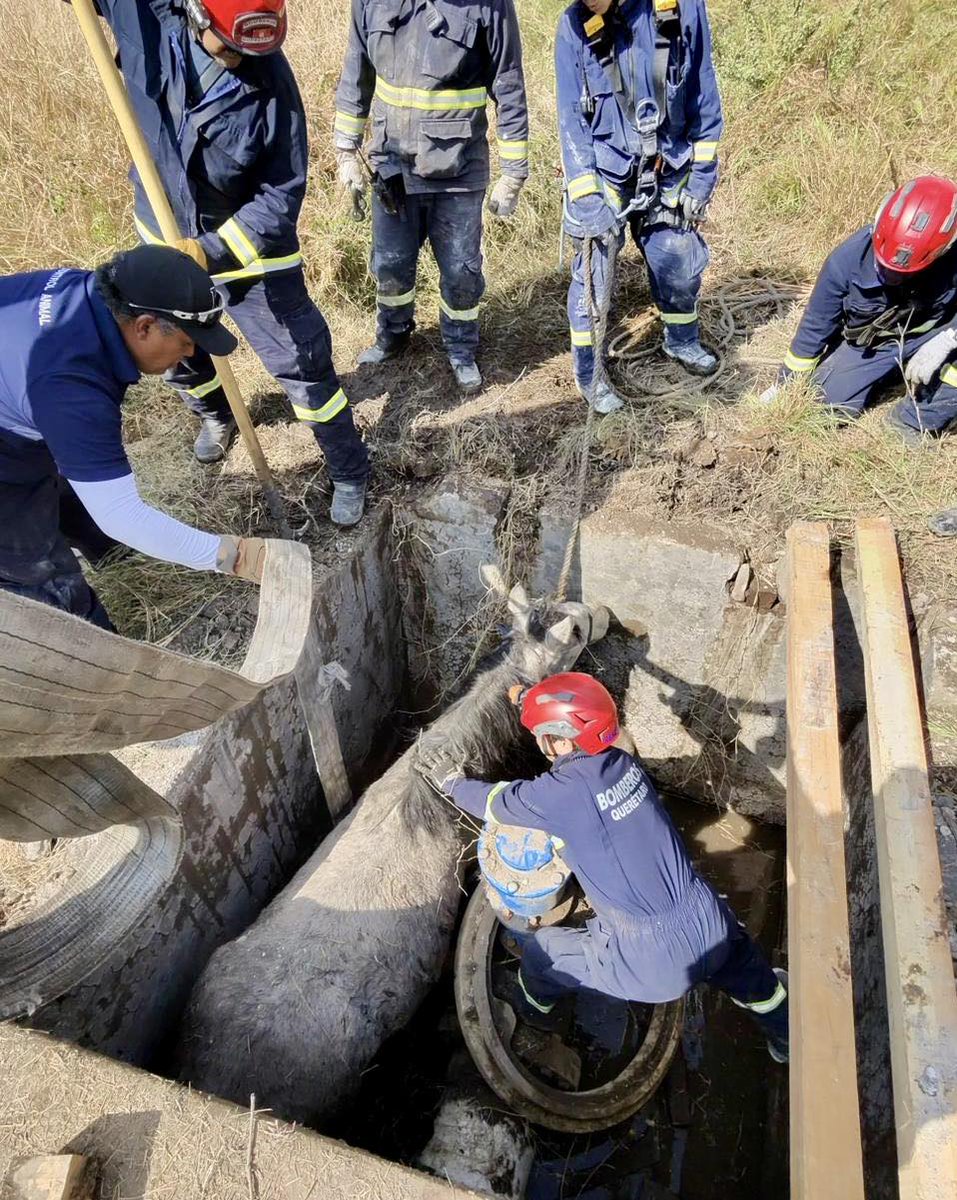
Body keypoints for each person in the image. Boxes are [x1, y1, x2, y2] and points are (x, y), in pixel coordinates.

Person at [92, 0, 370, 525]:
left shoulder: (272, 84)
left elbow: (283, 193)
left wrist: (212, 250)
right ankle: (214, 415)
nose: (242, 58)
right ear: (196, 16)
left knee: (302, 361)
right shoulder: (140, 15)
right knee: (174, 352)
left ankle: (349, 467)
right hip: (163, 226)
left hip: (247, 247)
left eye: (252, 49)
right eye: (230, 48)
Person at [430, 671, 789, 1062]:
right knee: (756, 981)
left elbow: (493, 803)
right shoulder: (622, 762)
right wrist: (524, 698)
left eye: (538, 733)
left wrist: (448, 781)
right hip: (709, 919)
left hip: (653, 963)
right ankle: (784, 1034)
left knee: (542, 955)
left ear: (561, 739)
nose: (536, 740)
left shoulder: (560, 795)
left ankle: (533, 1017)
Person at [0, 245, 267, 630]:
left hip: (22, 395)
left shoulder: (93, 297)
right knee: (44, 576)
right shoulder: (73, 389)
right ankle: (95, 660)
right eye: (186, 341)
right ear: (142, 326)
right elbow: (122, 516)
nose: (191, 353)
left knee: (70, 490)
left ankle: (113, 559)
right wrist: (237, 557)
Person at [333, 0, 530, 393]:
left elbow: (508, 83)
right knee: (390, 266)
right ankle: (393, 335)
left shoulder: (488, 5)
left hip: (458, 168)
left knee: (461, 272)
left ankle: (460, 347)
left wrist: (514, 172)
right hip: (392, 164)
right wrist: (345, 151)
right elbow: (357, 70)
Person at [556, 0, 724, 414]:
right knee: (592, 278)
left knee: (679, 261)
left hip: (668, 166)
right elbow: (571, 122)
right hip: (608, 173)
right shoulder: (573, 26)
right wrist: (586, 197)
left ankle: (681, 340)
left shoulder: (681, 7)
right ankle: (589, 374)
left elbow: (703, 88)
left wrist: (701, 176)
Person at [764, 174, 957, 446]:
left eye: (901, 274)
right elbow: (814, 328)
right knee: (825, 406)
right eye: (885, 267)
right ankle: (884, 375)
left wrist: (949, 340)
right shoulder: (845, 261)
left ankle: (912, 421)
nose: (889, 277)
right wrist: (785, 385)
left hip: (940, 331)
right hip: (877, 344)